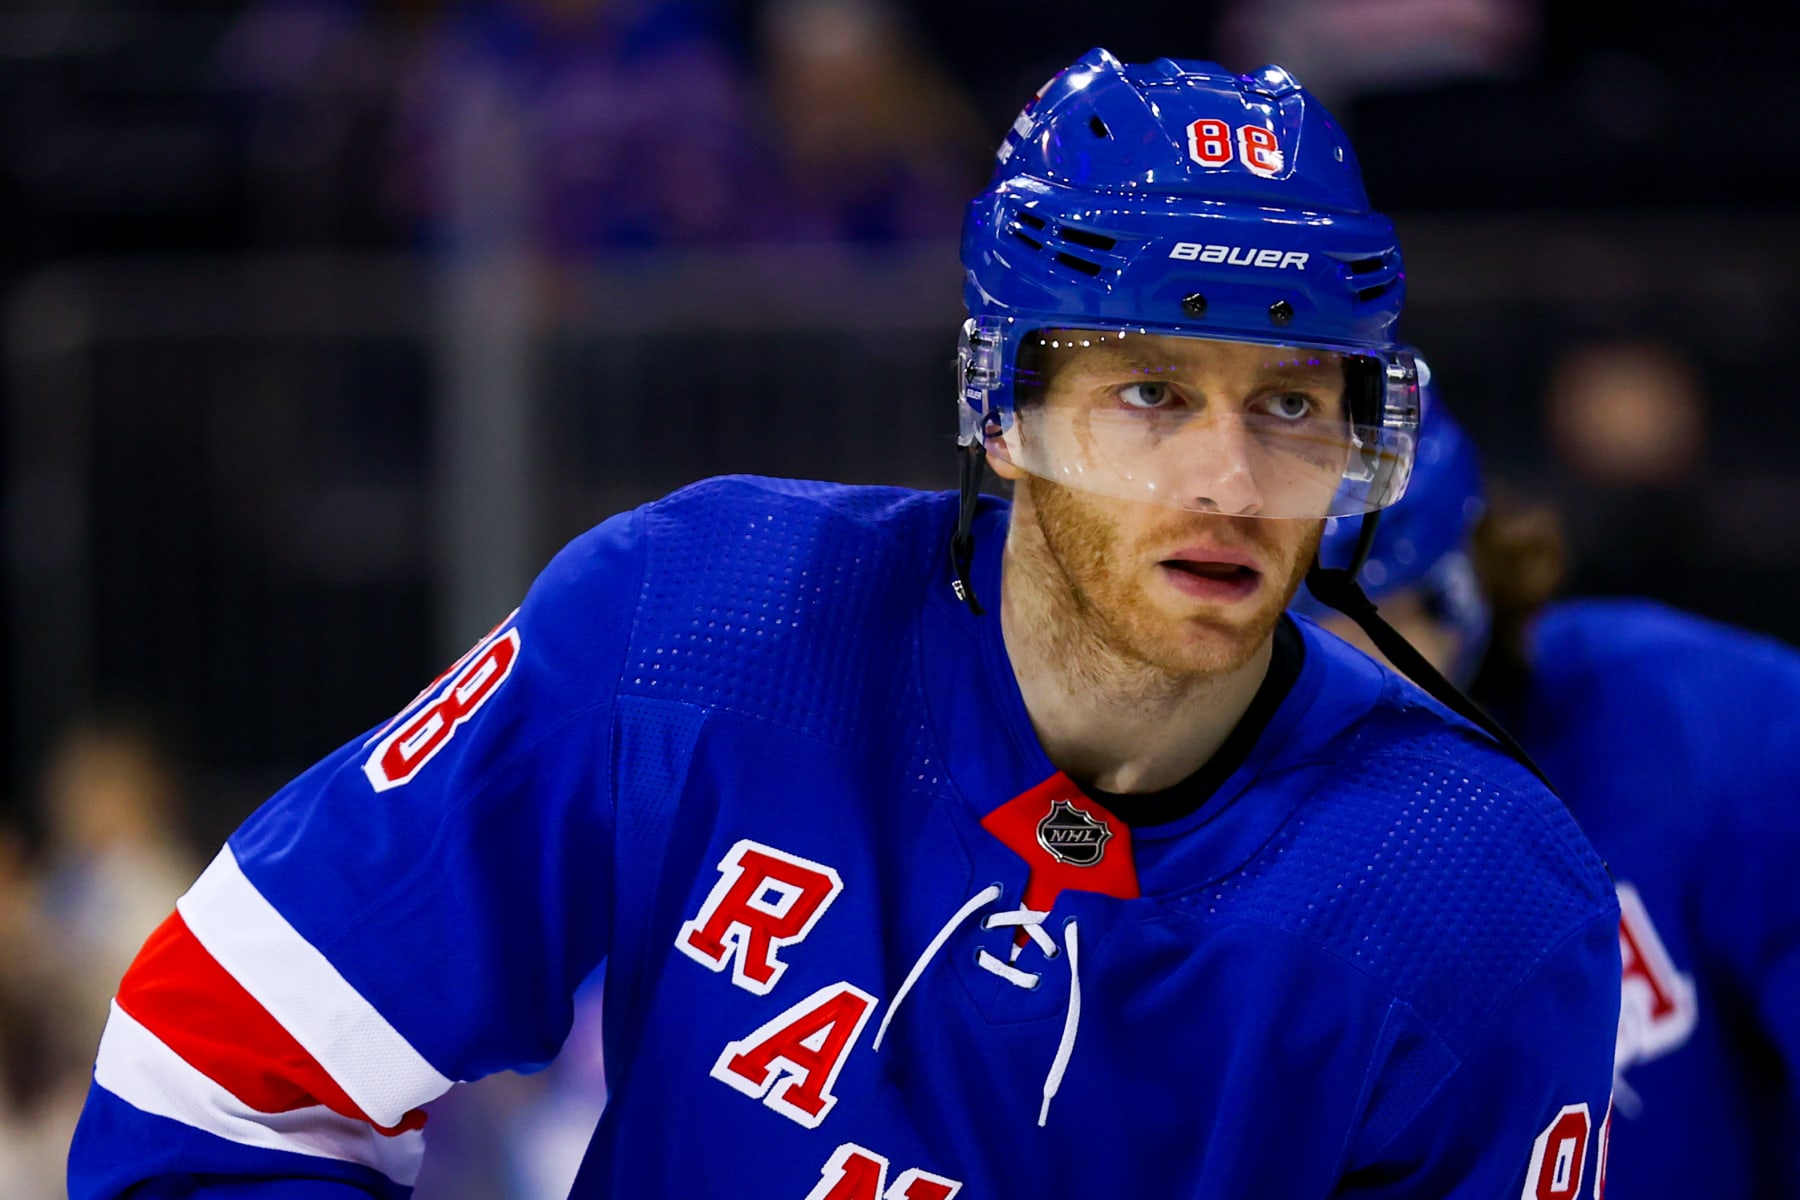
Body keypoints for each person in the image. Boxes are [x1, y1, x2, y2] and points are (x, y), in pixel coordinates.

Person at [68, 50, 1619, 1198]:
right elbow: (216, 1075)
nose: (1228, 480)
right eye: (1150, 394)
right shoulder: (694, 625)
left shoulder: (1480, 890)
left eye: (1290, 403)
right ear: (1001, 411)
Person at [1298, 387, 1800, 1197]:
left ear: (1467, 591)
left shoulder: (1710, 729)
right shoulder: (1149, 848)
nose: (1353, 678)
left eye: (1389, 617)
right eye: (1301, 640)